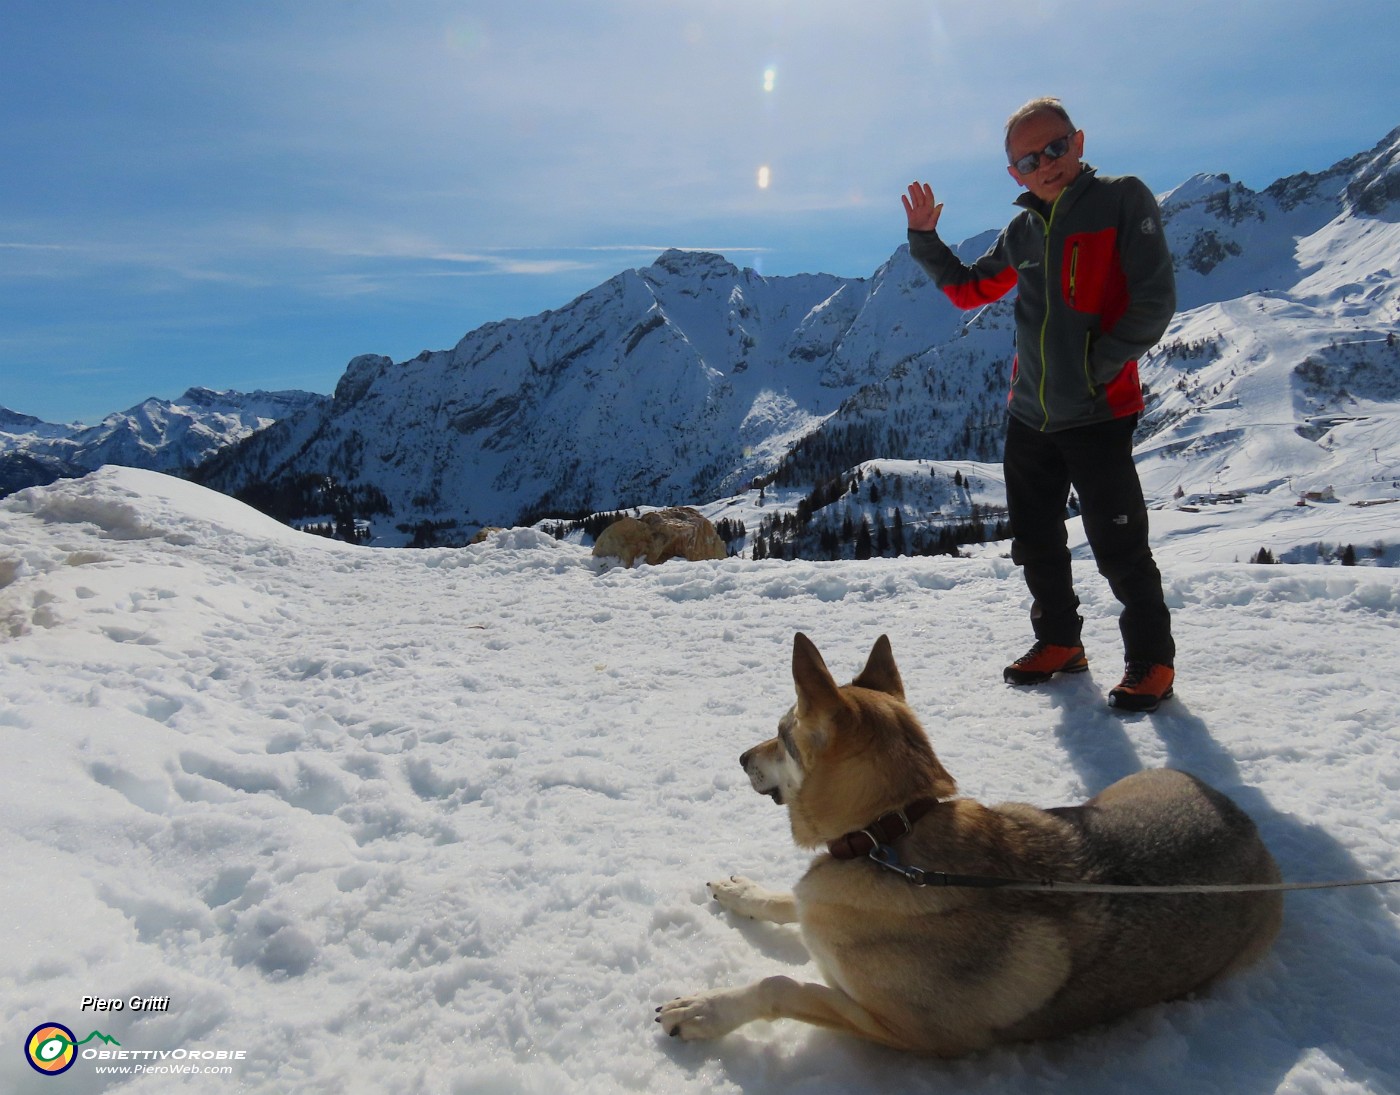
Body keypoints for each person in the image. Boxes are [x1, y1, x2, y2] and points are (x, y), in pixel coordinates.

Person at [902, 97, 1176, 712]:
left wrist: (1093, 368)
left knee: (1119, 542)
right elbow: (970, 289)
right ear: (1015, 175)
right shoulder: (1023, 230)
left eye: (1055, 147)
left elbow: (1154, 301)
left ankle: (1152, 660)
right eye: (1031, 157)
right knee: (1035, 539)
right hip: (1030, 414)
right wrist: (925, 239)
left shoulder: (1121, 200)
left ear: (1078, 142)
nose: (1047, 163)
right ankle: (1059, 643)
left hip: (1100, 411)